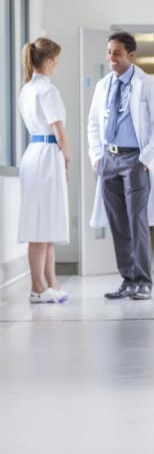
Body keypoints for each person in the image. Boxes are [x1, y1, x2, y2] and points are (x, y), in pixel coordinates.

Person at [87, 32, 154, 301]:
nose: (111, 58)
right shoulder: (102, 86)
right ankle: (128, 280)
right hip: (109, 161)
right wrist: (97, 157)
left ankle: (143, 281)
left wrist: (145, 160)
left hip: (135, 161)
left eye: (117, 53)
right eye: (109, 52)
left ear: (131, 56)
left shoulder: (149, 85)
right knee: (118, 224)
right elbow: (93, 124)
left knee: (137, 222)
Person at [18, 38, 71, 303]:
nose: (57, 65)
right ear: (48, 61)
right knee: (41, 226)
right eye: (56, 60)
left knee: (46, 224)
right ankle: (38, 287)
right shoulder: (48, 91)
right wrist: (68, 156)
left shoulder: (27, 89)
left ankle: (51, 283)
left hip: (35, 154)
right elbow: (59, 132)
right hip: (48, 155)